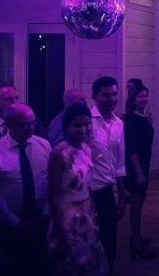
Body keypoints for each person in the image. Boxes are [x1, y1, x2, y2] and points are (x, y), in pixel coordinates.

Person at [0, 103, 51, 276]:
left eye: (32, 122)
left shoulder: (44, 147)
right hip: (9, 226)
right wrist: (16, 223)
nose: (30, 128)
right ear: (8, 125)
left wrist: (45, 215)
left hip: (40, 220)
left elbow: (52, 183)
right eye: (23, 124)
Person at [48, 103, 108, 275]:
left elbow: (88, 187)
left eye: (86, 124)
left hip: (86, 214)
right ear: (67, 126)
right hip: (66, 217)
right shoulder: (59, 154)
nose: (83, 129)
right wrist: (60, 230)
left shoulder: (87, 149)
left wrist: (94, 217)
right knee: (71, 264)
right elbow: (53, 195)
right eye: (77, 125)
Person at [89, 76, 126, 271]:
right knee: (91, 240)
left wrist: (121, 196)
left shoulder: (119, 123)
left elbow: (119, 162)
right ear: (94, 96)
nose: (112, 98)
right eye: (106, 95)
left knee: (110, 240)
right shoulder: (87, 122)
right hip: (89, 191)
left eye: (114, 94)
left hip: (108, 190)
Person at [124, 84, 157, 260]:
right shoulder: (132, 119)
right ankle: (136, 241)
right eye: (140, 97)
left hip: (143, 164)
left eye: (145, 96)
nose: (143, 99)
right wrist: (139, 172)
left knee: (140, 201)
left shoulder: (140, 117)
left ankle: (137, 235)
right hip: (136, 167)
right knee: (136, 204)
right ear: (133, 99)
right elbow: (132, 149)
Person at [0, 83, 47, 152]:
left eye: (16, 98)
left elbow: (44, 147)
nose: (15, 103)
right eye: (8, 99)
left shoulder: (31, 122)